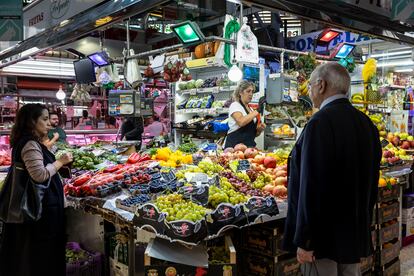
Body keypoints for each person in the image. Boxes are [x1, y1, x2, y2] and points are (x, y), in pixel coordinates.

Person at [282, 62, 382, 276]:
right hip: (352, 236)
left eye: (310, 85)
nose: (309, 91)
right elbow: (372, 183)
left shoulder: (319, 123)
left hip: (322, 242)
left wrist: (306, 240)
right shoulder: (367, 124)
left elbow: (312, 185)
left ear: (321, 84)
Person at [0, 104, 73, 276]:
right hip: (39, 211)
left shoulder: (30, 142)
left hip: (39, 210)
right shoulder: (30, 144)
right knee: (41, 256)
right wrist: (60, 162)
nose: (49, 124)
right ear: (32, 122)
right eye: (45, 119)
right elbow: (39, 175)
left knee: (34, 255)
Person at [224, 80, 266, 148]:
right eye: (248, 91)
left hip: (248, 149)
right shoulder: (235, 105)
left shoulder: (251, 110)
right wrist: (258, 110)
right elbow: (241, 122)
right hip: (234, 148)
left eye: (252, 92)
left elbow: (252, 134)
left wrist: (259, 130)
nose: (251, 94)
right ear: (240, 92)